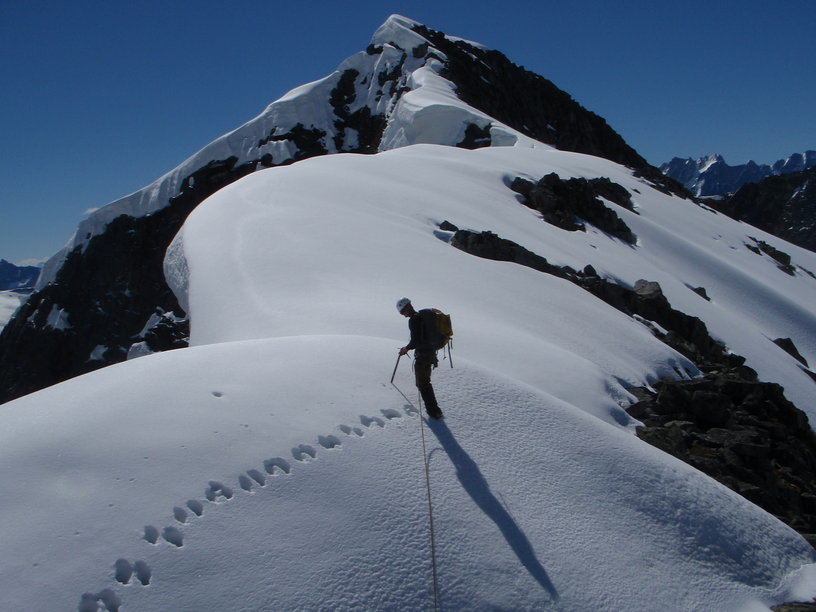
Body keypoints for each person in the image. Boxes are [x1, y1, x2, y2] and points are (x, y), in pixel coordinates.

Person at [397, 297, 444, 419]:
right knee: (425, 382)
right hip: (430, 353)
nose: (403, 315)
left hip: (423, 355)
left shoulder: (414, 320)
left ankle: (434, 411)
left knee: (423, 383)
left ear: (407, 307)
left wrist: (405, 349)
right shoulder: (422, 316)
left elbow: (415, 341)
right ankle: (434, 409)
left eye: (402, 312)